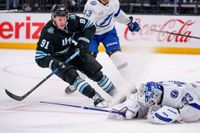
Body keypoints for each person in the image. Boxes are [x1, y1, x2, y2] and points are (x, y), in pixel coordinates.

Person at [35, 4, 118, 108]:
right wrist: (54, 63)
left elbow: (90, 26)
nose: (63, 22)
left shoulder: (72, 19)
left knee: (96, 73)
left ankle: (116, 94)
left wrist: (83, 42)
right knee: (74, 78)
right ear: (53, 17)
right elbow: (39, 57)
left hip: (72, 51)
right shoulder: (48, 32)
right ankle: (95, 97)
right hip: (57, 59)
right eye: (60, 19)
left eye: (64, 19)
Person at [65, 0, 141, 102]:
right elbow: (86, 25)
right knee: (87, 58)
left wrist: (129, 21)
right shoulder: (91, 5)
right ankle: (77, 81)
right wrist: (81, 38)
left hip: (109, 33)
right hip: (92, 34)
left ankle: (130, 84)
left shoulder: (114, 2)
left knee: (117, 56)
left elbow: (117, 14)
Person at [108, 80, 200, 124]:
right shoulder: (160, 89)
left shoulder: (179, 96)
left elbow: (196, 111)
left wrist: (178, 114)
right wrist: (137, 108)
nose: (149, 104)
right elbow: (151, 98)